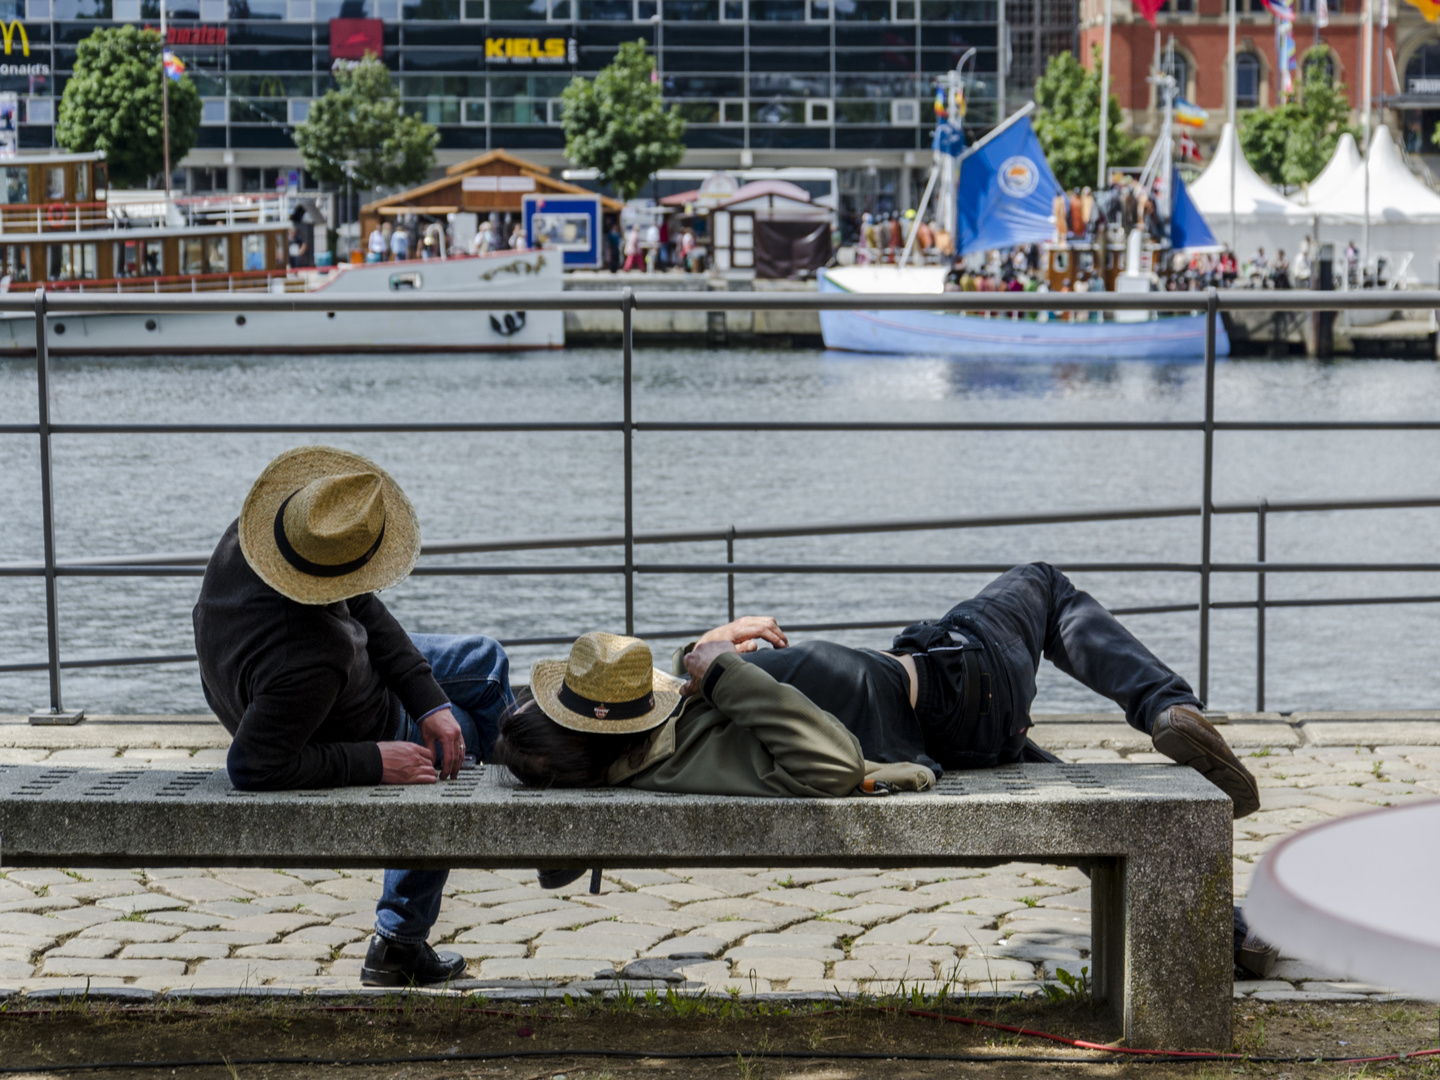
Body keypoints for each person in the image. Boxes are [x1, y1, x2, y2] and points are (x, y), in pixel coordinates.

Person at [494, 564, 1260, 820]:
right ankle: (1164, 705)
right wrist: (721, 665)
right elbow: (826, 763)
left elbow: (669, 702)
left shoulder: (644, 747)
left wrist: (710, 647)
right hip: (960, 691)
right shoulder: (685, 752)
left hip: (955, 734)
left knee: (1096, 808)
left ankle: (1225, 932)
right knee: (1043, 586)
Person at [192, 446, 513, 987]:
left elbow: (358, 602)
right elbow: (251, 767)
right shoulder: (312, 657)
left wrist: (426, 699)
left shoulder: (265, 533)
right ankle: (400, 942)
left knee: (484, 660)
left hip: (324, 686)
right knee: (461, 746)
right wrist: (374, 761)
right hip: (340, 715)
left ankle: (531, 792)